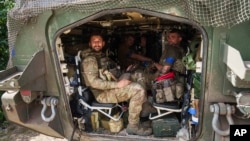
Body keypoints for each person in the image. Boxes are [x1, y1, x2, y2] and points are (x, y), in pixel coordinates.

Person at [81, 33, 154, 136]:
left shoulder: (102, 57)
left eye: (99, 41)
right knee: (138, 89)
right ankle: (133, 126)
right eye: (94, 41)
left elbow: (111, 73)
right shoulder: (90, 60)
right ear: (90, 44)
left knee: (139, 75)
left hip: (111, 87)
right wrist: (118, 84)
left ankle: (143, 109)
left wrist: (125, 72)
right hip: (103, 94)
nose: (97, 43)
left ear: (103, 43)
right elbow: (94, 83)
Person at [152, 29, 187, 101]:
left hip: (169, 82)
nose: (170, 39)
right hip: (175, 81)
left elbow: (165, 70)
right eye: (168, 37)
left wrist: (154, 64)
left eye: (173, 37)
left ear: (180, 39)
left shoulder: (173, 49)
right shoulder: (180, 49)